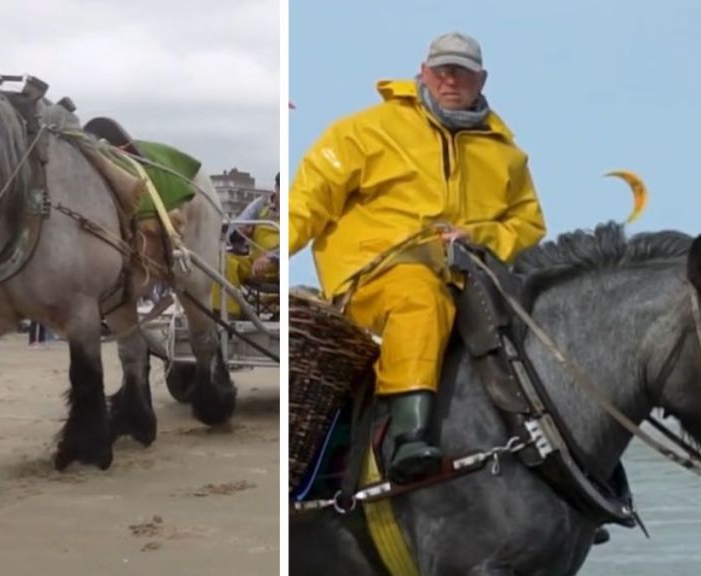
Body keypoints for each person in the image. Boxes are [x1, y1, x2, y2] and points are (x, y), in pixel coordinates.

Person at [289, 31, 546, 484]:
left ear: (481, 79)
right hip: (378, 274)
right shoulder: (365, 130)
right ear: (424, 71)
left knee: (551, 324)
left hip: (474, 280)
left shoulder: (507, 154)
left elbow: (527, 227)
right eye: (442, 69)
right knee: (420, 296)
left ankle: (569, 480)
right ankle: (410, 437)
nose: (451, 80)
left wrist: (478, 235)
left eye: (463, 72)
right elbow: (307, 202)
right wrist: (273, 255)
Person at [212, 172, 281, 317]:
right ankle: (229, 314)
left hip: (282, 265)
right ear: (276, 188)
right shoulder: (260, 205)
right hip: (255, 263)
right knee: (225, 260)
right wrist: (240, 234)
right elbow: (234, 227)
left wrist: (271, 257)